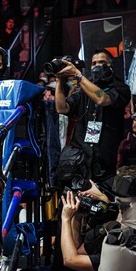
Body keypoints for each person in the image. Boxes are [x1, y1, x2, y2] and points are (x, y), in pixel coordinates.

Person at [54, 49, 131, 182]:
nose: (97, 66)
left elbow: (102, 99)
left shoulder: (120, 88)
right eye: (94, 63)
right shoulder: (83, 91)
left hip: (106, 163)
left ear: (110, 66)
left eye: (102, 62)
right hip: (80, 162)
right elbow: (62, 108)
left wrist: (78, 76)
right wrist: (59, 81)